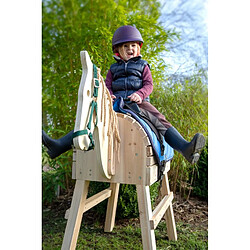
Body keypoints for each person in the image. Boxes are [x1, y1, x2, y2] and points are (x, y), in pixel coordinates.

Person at [42, 25, 205, 164]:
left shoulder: (143, 66)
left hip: (138, 102)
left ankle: (184, 147)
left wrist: (140, 94)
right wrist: (109, 95)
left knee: (158, 118)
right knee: (91, 118)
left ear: (138, 48)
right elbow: (107, 86)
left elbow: (149, 84)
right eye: (126, 46)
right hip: (116, 102)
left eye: (133, 45)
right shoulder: (113, 69)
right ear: (118, 50)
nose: (130, 49)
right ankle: (59, 145)